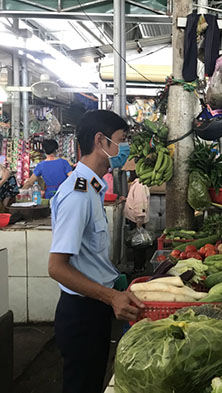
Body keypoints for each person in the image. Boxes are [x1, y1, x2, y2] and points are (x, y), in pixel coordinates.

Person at [48, 110, 145, 393]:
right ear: (100, 141)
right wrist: (112, 296)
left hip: (94, 308)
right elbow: (57, 267)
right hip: (82, 314)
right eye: (121, 140)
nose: (124, 147)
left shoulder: (92, 188)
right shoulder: (77, 195)